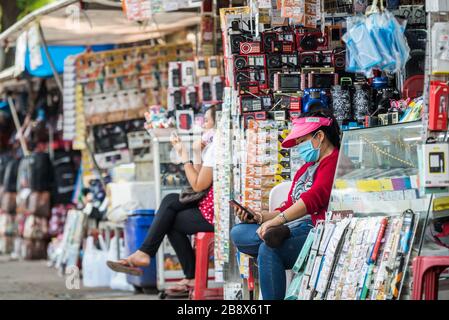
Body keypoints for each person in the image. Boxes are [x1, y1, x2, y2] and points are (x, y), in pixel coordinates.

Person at [230, 109, 341, 300]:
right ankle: (278, 234)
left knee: (269, 248)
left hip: (318, 230)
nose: (299, 148)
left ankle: (278, 235)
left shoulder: (334, 162)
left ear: (320, 136)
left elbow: (313, 199)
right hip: (293, 223)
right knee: (239, 233)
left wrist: (277, 221)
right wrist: (259, 217)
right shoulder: (307, 168)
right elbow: (289, 204)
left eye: (301, 142)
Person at [107, 106, 217, 295]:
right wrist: (195, 152)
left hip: (215, 211)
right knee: (169, 203)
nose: (203, 125)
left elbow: (198, 185)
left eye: (207, 121)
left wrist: (185, 157)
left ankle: (149, 255)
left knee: (170, 219)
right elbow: (200, 181)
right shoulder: (212, 147)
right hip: (208, 202)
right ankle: (148, 255)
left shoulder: (217, 147)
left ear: (217, 124)